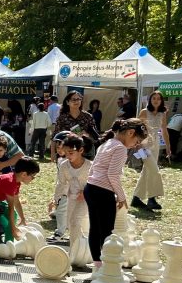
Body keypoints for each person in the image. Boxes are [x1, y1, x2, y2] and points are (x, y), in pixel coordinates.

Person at [83, 118, 148, 269]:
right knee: (107, 231)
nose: (136, 145)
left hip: (91, 188)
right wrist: (122, 196)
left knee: (95, 228)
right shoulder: (120, 148)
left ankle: (98, 264)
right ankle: (107, 265)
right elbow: (112, 175)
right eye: (137, 141)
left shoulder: (106, 144)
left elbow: (92, 168)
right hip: (103, 192)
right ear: (130, 132)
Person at [0, 158, 41, 241]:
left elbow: (16, 202)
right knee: (5, 222)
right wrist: (13, 228)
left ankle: (9, 242)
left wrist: (22, 218)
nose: (33, 179)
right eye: (32, 176)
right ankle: (7, 242)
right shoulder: (10, 182)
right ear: (24, 174)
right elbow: (11, 208)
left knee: (13, 216)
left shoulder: (16, 182)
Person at [131, 90, 171, 210]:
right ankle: (152, 198)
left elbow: (164, 130)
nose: (156, 100)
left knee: (147, 171)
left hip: (155, 144)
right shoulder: (144, 112)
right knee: (154, 170)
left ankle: (136, 198)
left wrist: (168, 147)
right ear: (150, 100)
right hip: (143, 145)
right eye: (154, 98)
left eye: (158, 98)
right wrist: (136, 143)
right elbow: (136, 128)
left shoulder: (162, 114)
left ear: (161, 101)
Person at [49, 133, 91, 244]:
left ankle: (84, 247)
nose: (68, 156)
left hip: (87, 199)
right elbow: (61, 184)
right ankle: (75, 247)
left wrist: (85, 191)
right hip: (72, 198)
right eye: (66, 152)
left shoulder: (90, 166)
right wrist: (56, 200)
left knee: (79, 221)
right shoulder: (64, 165)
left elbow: (96, 183)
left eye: (71, 153)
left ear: (81, 150)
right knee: (71, 223)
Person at [52, 90, 100, 156]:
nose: (76, 101)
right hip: (67, 152)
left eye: (78, 99)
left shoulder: (88, 116)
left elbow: (95, 137)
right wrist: (52, 154)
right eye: (73, 99)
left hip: (86, 152)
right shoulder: (62, 118)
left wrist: (87, 135)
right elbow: (54, 137)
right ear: (67, 102)